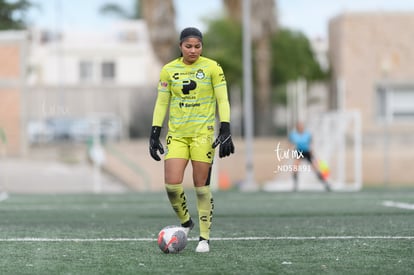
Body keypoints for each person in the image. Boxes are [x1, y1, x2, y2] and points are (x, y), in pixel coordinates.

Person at [149, 27, 235, 253]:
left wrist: (225, 127)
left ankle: (204, 238)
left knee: (201, 188)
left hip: (202, 136)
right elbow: (161, 102)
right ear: (180, 46)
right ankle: (186, 222)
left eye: (197, 46)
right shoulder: (168, 70)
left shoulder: (212, 68)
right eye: (188, 46)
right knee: (171, 185)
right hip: (177, 135)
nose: (193, 50)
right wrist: (154, 131)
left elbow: (223, 100)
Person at [288, 121, 331, 192]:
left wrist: (312, 152)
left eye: (301, 126)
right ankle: (295, 185)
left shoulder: (307, 134)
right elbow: (290, 143)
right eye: (299, 126)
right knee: (295, 167)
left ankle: (325, 183)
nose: (300, 127)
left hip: (307, 152)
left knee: (315, 168)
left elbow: (310, 144)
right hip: (299, 152)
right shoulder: (293, 135)